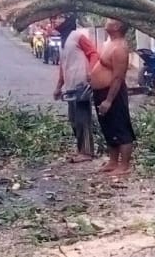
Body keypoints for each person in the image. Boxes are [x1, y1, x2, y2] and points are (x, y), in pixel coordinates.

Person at [90, 18, 136, 176]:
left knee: (120, 127)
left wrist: (109, 100)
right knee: (108, 127)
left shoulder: (120, 48)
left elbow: (118, 77)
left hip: (113, 92)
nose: (106, 21)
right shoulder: (109, 42)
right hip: (101, 91)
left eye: (111, 20)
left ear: (117, 26)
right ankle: (112, 161)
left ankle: (124, 165)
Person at [53, 13, 99, 163]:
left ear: (68, 20)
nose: (56, 21)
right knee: (73, 119)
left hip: (81, 83)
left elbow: (93, 53)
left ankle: (87, 152)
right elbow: (63, 65)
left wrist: (91, 72)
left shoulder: (77, 36)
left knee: (82, 119)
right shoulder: (62, 41)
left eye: (59, 18)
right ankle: (81, 150)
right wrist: (59, 86)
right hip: (70, 85)